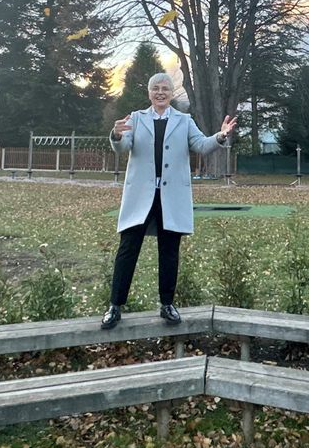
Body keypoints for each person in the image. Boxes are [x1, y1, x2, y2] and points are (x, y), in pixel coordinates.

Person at [102, 72, 237, 329]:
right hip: (140, 197)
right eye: (156, 89)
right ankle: (115, 306)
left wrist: (220, 136)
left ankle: (167, 304)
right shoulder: (137, 119)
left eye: (165, 88)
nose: (160, 93)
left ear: (172, 93)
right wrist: (117, 136)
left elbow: (201, 145)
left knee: (169, 252)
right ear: (149, 93)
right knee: (127, 250)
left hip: (170, 198)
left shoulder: (184, 121)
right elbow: (123, 146)